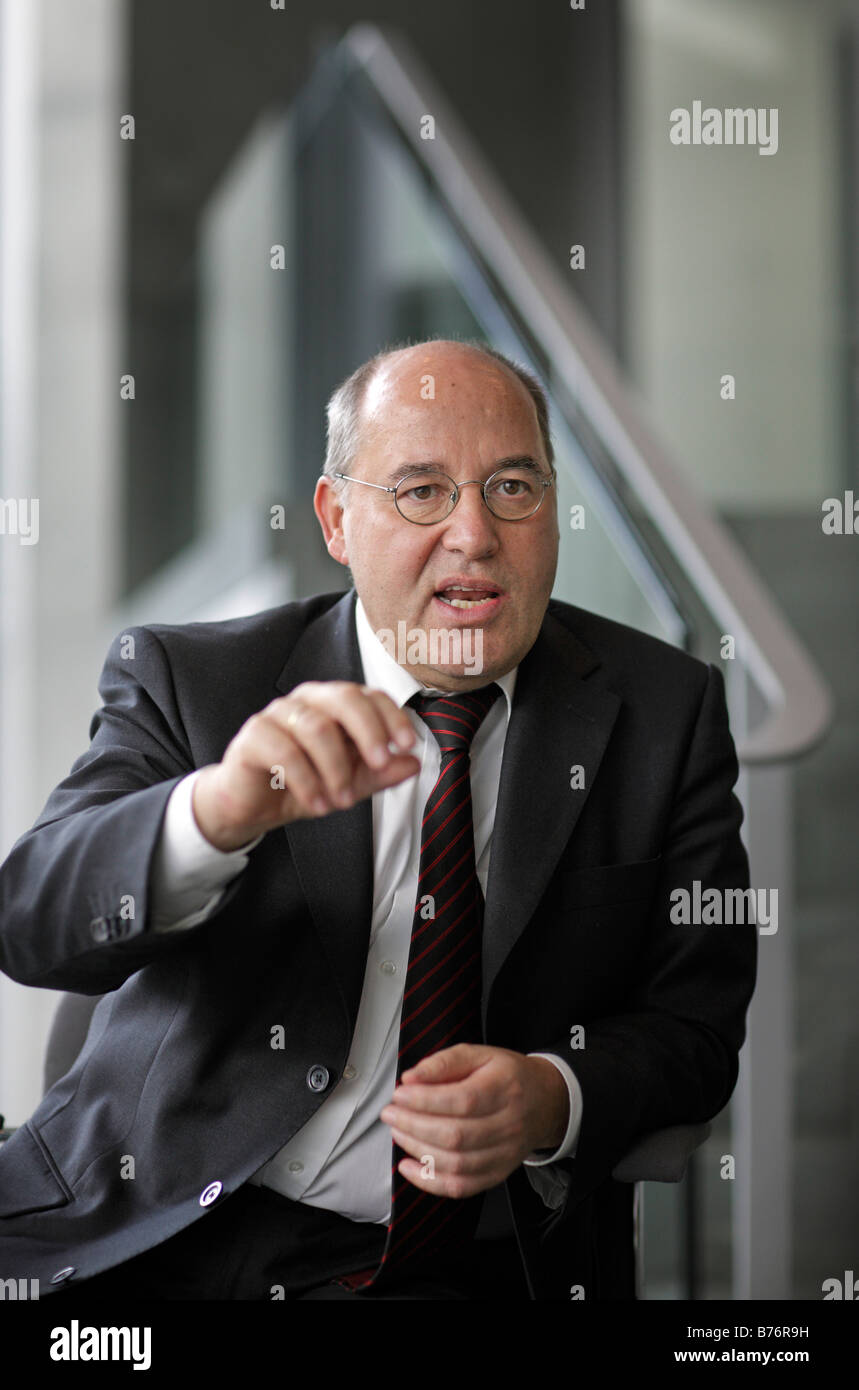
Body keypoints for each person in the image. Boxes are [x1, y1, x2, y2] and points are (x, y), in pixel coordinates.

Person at [0, 339, 756, 1300]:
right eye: (421, 490)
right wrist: (216, 812)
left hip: (475, 1264)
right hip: (159, 1233)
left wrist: (548, 1097)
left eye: (512, 487)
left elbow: (694, 1029)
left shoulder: (665, 711)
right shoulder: (195, 682)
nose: (475, 535)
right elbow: (30, 923)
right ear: (335, 519)